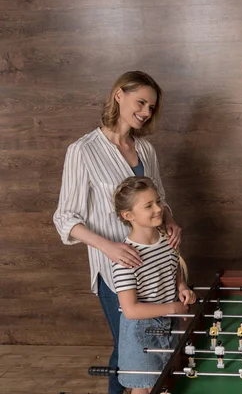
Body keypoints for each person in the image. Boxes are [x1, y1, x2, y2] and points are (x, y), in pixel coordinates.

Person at [53, 71, 182, 394]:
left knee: (153, 340)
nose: (146, 112)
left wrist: (169, 220)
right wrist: (108, 247)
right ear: (119, 95)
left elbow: (159, 200)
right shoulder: (83, 150)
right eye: (141, 102)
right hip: (114, 268)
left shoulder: (146, 150)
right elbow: (65, 217)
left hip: (155, 263)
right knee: (126, 343)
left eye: (152, 107)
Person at [111, 176, 195, 393]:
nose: (158, 209)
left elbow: (173, 267)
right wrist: (172, 308)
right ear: (128, 215)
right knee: (145, 390)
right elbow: (130, 310)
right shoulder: (125, 258)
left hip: (169, 326)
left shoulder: (167, 240)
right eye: (148, 206)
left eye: (157, 201)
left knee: (167, 384)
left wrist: (182, 287)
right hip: (140, 334)